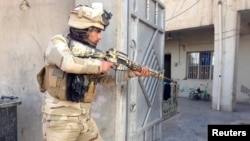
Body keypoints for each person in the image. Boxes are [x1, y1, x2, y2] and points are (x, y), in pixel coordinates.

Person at [38, 5, 150, 141]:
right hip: (60, 120)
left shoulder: (93, 55)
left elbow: (106, 80)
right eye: (97, 31)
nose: (100, 37)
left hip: (84, 118)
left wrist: (130, 73)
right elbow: (67, 62)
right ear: (83, 29)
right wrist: (100, 65)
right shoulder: (58, 42)